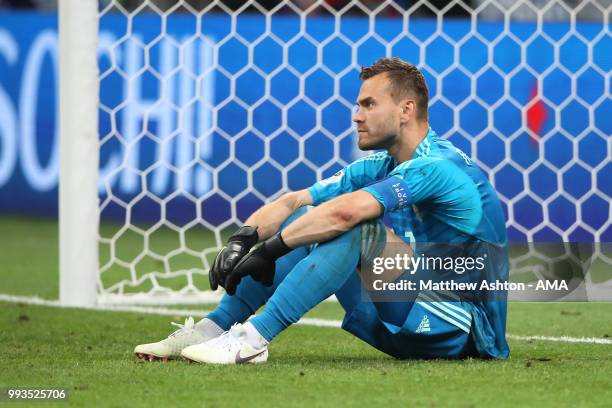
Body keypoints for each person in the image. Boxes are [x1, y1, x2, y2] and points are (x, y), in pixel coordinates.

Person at [134, 57, 509, 364]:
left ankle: (252, 340)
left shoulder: (438, 166)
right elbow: (293, 202)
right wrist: (241, 239)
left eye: (368, 104)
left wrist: (269, 251)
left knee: (356, 227)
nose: (356, 116)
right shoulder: (385, 163)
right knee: (308, 217)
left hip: (460, 328)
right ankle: (212, 329)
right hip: (408, 315)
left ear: (406, 110)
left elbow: (345, 216)